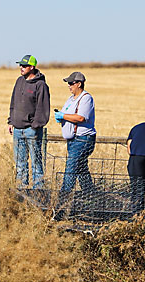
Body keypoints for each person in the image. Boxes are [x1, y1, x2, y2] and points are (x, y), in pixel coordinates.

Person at [54, 72, 96, 215]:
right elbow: (68, 115)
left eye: (71, 83)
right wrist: (61, 117)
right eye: (68, 83)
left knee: (71, 170)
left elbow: (80, 118)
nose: (69, 86)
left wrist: (63, 116)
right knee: (81, 170)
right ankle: (91, 198)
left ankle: (62, 203)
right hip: (73, 140)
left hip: (82, 139)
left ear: (79, 84)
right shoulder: (70, 99)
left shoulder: (86, 98)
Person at [7, 54, 50, 191]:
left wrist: (35, 125)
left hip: (32, 130)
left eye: (24, 66)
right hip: (17, 129)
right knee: (20, 164)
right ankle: (22, 190)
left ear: (32, 67)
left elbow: (43, 108)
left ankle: (38, 191)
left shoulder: (40, 85)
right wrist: (11, 121)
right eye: (20, 65)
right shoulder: (19, 81)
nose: (21, 67)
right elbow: (13, 102)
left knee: (36, 163)